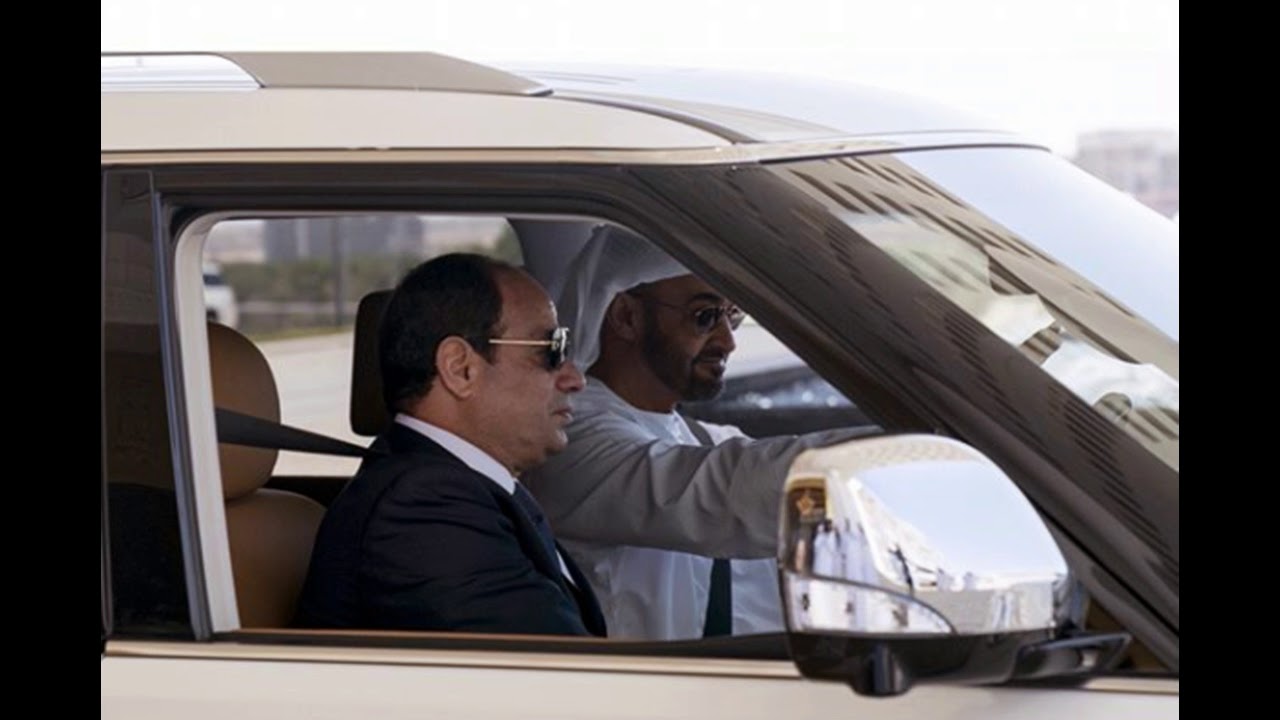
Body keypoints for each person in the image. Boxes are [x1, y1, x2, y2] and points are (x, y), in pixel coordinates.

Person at [523, 226, 878, 640]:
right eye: (705, 316)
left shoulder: (707, 438)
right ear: (626, 317)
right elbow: (724, 496)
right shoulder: (570, 438)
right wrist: (895, 456)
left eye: (732, 315)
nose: (727, 341)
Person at [295, 253, 606, 637]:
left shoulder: (457, 488)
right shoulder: (423, 508)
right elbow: (558, 663)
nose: (576, 378)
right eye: (551, 349)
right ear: (460, 368)